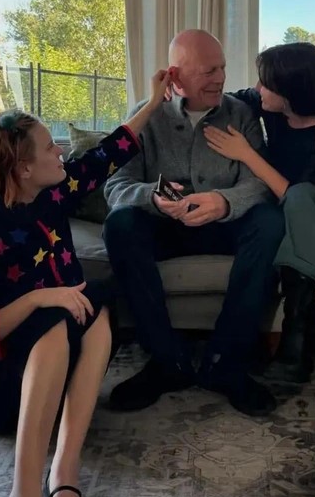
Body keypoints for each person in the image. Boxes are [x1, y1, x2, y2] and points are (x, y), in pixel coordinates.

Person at [0, 69, 170, 497]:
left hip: (45, 380)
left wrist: (153, 103)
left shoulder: (51, 194)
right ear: (23, 168)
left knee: (96, 303)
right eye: (51, 146)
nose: (61, 150)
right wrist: (37, 299)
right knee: (52, 314)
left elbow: (105, 155)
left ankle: (64, 474)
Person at [103, 29, 285, 417]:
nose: (221, 78)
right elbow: (116, 186)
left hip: (225, 226)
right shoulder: (146, 114)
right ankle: (167, 360)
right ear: (175, 74)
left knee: (269, 222)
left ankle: (226, 362)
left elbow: (259, 183)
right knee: (120, 225)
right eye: (208, 71)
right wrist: (151, 197)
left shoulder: (241, 113)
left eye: (222, 68)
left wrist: (225, 202)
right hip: (166, 228)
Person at [203, 42, 315, 382]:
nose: (258, 88)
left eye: (266, 83)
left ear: (291, 90)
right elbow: (223, 99)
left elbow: (296, 197)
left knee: (304, 198)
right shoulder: (269, 106)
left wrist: (247, 154)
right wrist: (176, 91)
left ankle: (294, 334)